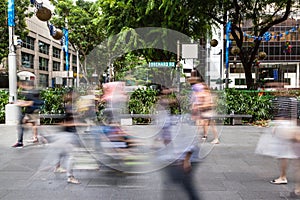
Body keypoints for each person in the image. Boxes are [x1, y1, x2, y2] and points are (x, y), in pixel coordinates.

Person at [189, 72, 219, 144]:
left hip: (207, 111)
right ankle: (211, 138)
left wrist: (198, 106)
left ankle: (215, 138)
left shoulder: (206, 94)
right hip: (206, 111)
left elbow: (207, 104)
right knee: (204, 123)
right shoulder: (205, 93)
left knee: (203, 123)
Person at [12, 80, 43, 148]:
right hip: (33, 110)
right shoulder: (33, 91)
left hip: (31, 111)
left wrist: (21, 104)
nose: (23, 86)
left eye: (24, 85)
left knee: (22, 124)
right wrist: (22, 102)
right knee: (32, 124)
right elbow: (30, 101)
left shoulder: (31, 93)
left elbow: (30, 102)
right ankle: (36, 138)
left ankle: (20, 142)